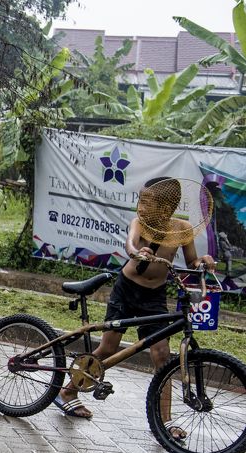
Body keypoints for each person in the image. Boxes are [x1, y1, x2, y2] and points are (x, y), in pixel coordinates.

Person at [55, 177, 215, 433]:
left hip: (154, 297)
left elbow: (192, 261)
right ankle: (68, 391)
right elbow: (130, 244)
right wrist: (137, 252)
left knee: (162, 357)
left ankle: (166, 422)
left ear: (167, 207)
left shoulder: (183, 229)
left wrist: (203, 262)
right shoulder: (139, 223)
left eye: (147, 202)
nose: (140, 207)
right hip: (126, 290)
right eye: (140, 200)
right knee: (108, 348)